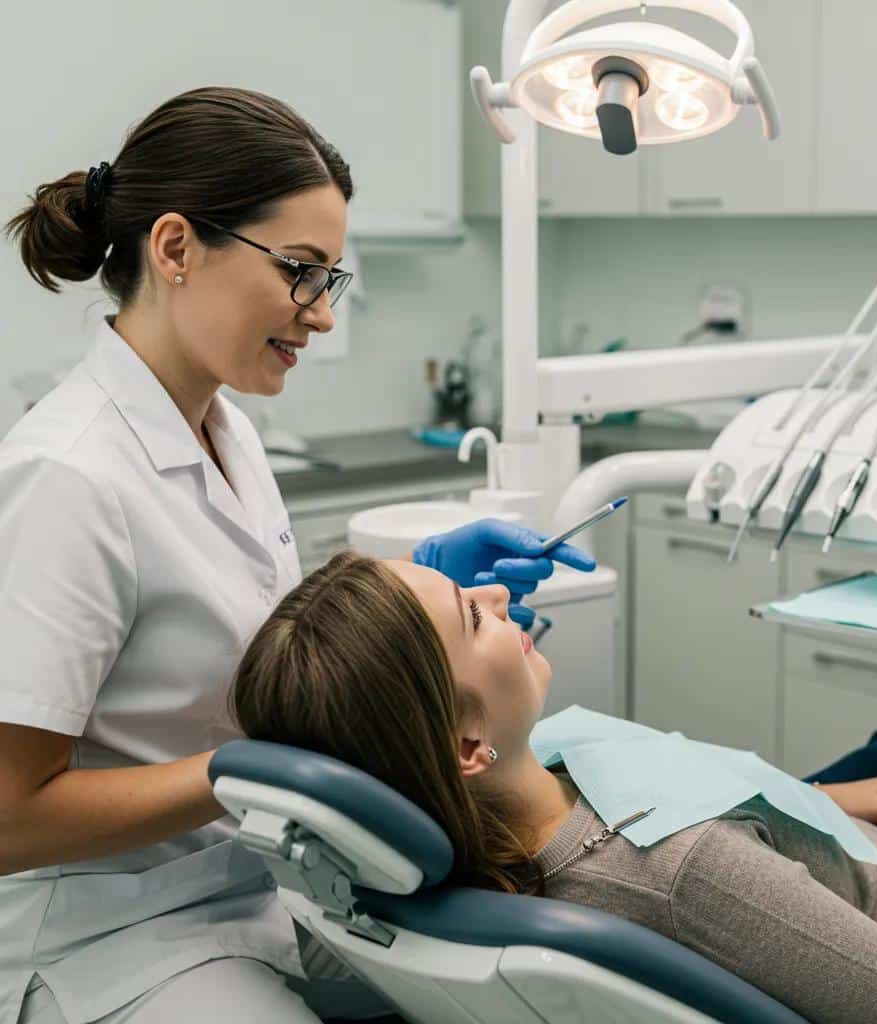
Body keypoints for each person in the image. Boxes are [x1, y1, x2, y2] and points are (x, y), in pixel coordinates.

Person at [0, 86, 592, 1024]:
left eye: (330, 278)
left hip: (254, 894)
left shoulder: (224, 430)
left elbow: (234, 641)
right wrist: (246, 769)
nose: (319, 313)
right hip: (102, 947)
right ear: (176, 248)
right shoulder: (67, 476)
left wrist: (430, 596)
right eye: (300, 270)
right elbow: (8, 815)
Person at [232, 550, 877, 1024]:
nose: (500, 597)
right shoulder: (684, 870)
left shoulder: (496, 810)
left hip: (818, 852)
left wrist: (808, 803)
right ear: (469, 744)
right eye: (471, 618)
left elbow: (703, 804)